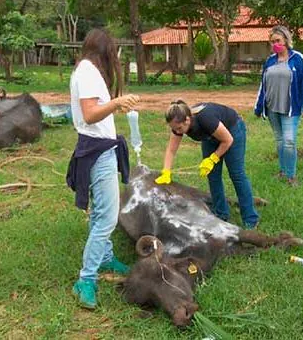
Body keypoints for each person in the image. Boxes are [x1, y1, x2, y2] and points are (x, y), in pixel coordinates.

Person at [66, 28, 140, 309]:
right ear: (105, 50)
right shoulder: (87, 71)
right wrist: (117, 102)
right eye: (114, 52)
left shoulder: (87, 70)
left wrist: (112, 106)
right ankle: (85, 279)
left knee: (100, 212)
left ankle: (106, 256)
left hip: (99, 147)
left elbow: (96, 111)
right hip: (98, 151)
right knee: (108, 217)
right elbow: (89, 114)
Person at [154, 100, 259, 229]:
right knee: (213, 175)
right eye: (174, 129)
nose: (177, 132)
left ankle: (250, 219)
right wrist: (166, 171)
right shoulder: (178, 125)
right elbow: (171, 150)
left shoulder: (206, 118)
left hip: (232, 131)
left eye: (179, 128)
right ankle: (221, 213)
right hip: (210, 137)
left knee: (237, 174)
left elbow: (227, 140)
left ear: (187, 120)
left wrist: (212, 159)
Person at [254, 25, 303, 187]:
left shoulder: (298, 59)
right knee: (280, 140)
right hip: (272, 107)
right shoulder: (270, 61)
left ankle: (291, 175)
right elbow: (263, 85)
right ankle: (282, 170)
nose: (275, 44)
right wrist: (258, 107)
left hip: (290, 108)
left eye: (278, 40)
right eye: (272, 42)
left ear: (286, 40)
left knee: (289, 141)